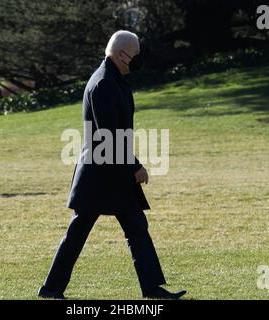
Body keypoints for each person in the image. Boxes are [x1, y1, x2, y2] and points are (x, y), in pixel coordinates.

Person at [38, 30, 186, 300]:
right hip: (100, 176)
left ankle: (152, 289)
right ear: (122, 55)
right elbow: (109, 136)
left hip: (112, 173)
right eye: (136, 54)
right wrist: (135, 167)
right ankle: (50, 290)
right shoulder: (104, 83)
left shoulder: (114, 78)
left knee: (137, 229)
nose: (139, 58)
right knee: (78, 232)